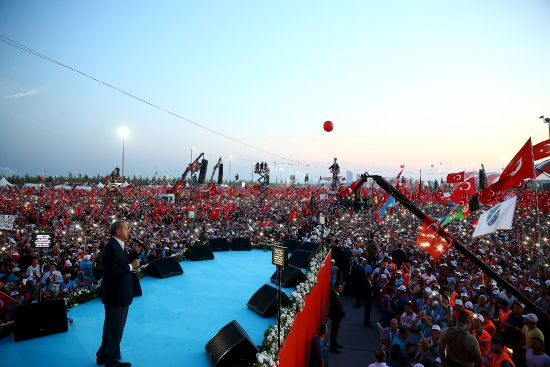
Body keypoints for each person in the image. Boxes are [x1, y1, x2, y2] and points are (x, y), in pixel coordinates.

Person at [96, 220, 140, 367]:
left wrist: (135, 252)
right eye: (126, 228)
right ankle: (112, 361)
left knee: (109, 327)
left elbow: (121, 261)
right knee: (116, 329)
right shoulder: (111, 247)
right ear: (118, 232)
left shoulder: (115, 245)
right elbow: (113, 271)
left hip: (115, 295)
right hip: (117, 296)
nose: (129, 231)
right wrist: (131, 266)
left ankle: (103, 354)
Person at [329, 282, 345, 353]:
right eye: (339, 287)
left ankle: (335, 344)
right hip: (335, 317)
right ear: (335, 287)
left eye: (341, 287)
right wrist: (343, 313)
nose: (340, 288)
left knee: (335, 332)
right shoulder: (333, 296)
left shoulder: (337, 295)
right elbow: (336, 307)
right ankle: (332, 348)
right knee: (334, 332)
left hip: (337, 316)